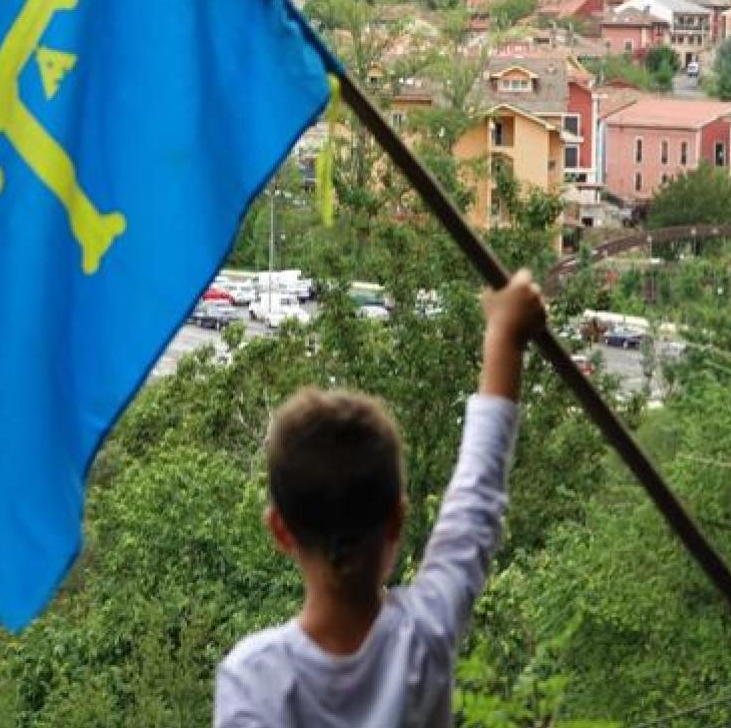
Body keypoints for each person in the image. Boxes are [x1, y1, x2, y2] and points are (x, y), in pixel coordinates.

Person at [213, 270, 546, 728]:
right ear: (396, 519)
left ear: (280, 529)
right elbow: (478, 496)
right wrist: (505, 336)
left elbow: (477, 499)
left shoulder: (253, 679)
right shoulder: (424, 635)